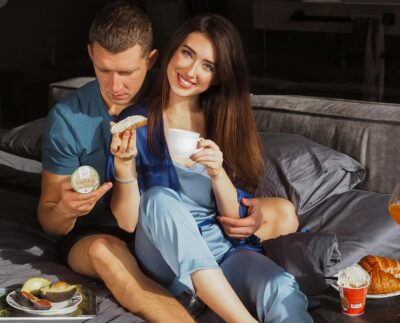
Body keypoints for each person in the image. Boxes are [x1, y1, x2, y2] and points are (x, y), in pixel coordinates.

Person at [108, 14, 312, 323]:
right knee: (159, 198)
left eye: (207, 65)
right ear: (173, 51)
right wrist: (125, 167)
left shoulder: (223, 124)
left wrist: (218, 173)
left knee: (281, 288)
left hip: (221, 249)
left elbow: (232, 217)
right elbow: (127, 222)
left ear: (216, 77)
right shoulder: (137, 121)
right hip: (165, 256)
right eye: (188, 53)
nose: (190, 71)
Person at [38, 2, 195, 322]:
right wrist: (67, 209)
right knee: (105, 255)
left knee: (279, 212)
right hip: (97, 233)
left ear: (150, 61)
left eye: (126, 72)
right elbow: (48, 218)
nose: (115, 86)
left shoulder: (174, 101)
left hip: (166, 223)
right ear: (91, 55)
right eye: (103, 70)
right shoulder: (67, 119)